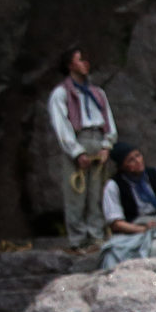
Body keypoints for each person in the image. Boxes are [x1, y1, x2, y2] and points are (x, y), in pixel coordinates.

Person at [46, 47, 117, 245]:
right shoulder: (61, 93)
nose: (85, 63)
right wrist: (76, 151)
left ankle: (96, 235)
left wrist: (107, 145)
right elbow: (62, 125)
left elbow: (108, 120)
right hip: (79, 139)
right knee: (76, 193)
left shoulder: (98, 93)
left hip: (98, 139)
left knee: (97, 193)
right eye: (80, 60)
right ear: (70, 65)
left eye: (86, 59)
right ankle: (78, 239)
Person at [96, 143, 156, 269]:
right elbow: (116, 223)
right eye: (131, 160)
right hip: (132, 231)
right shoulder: (113, 186)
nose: (138, 161)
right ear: (122, 166)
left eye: (138, 156)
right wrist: (143, 229)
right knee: (111, 253)